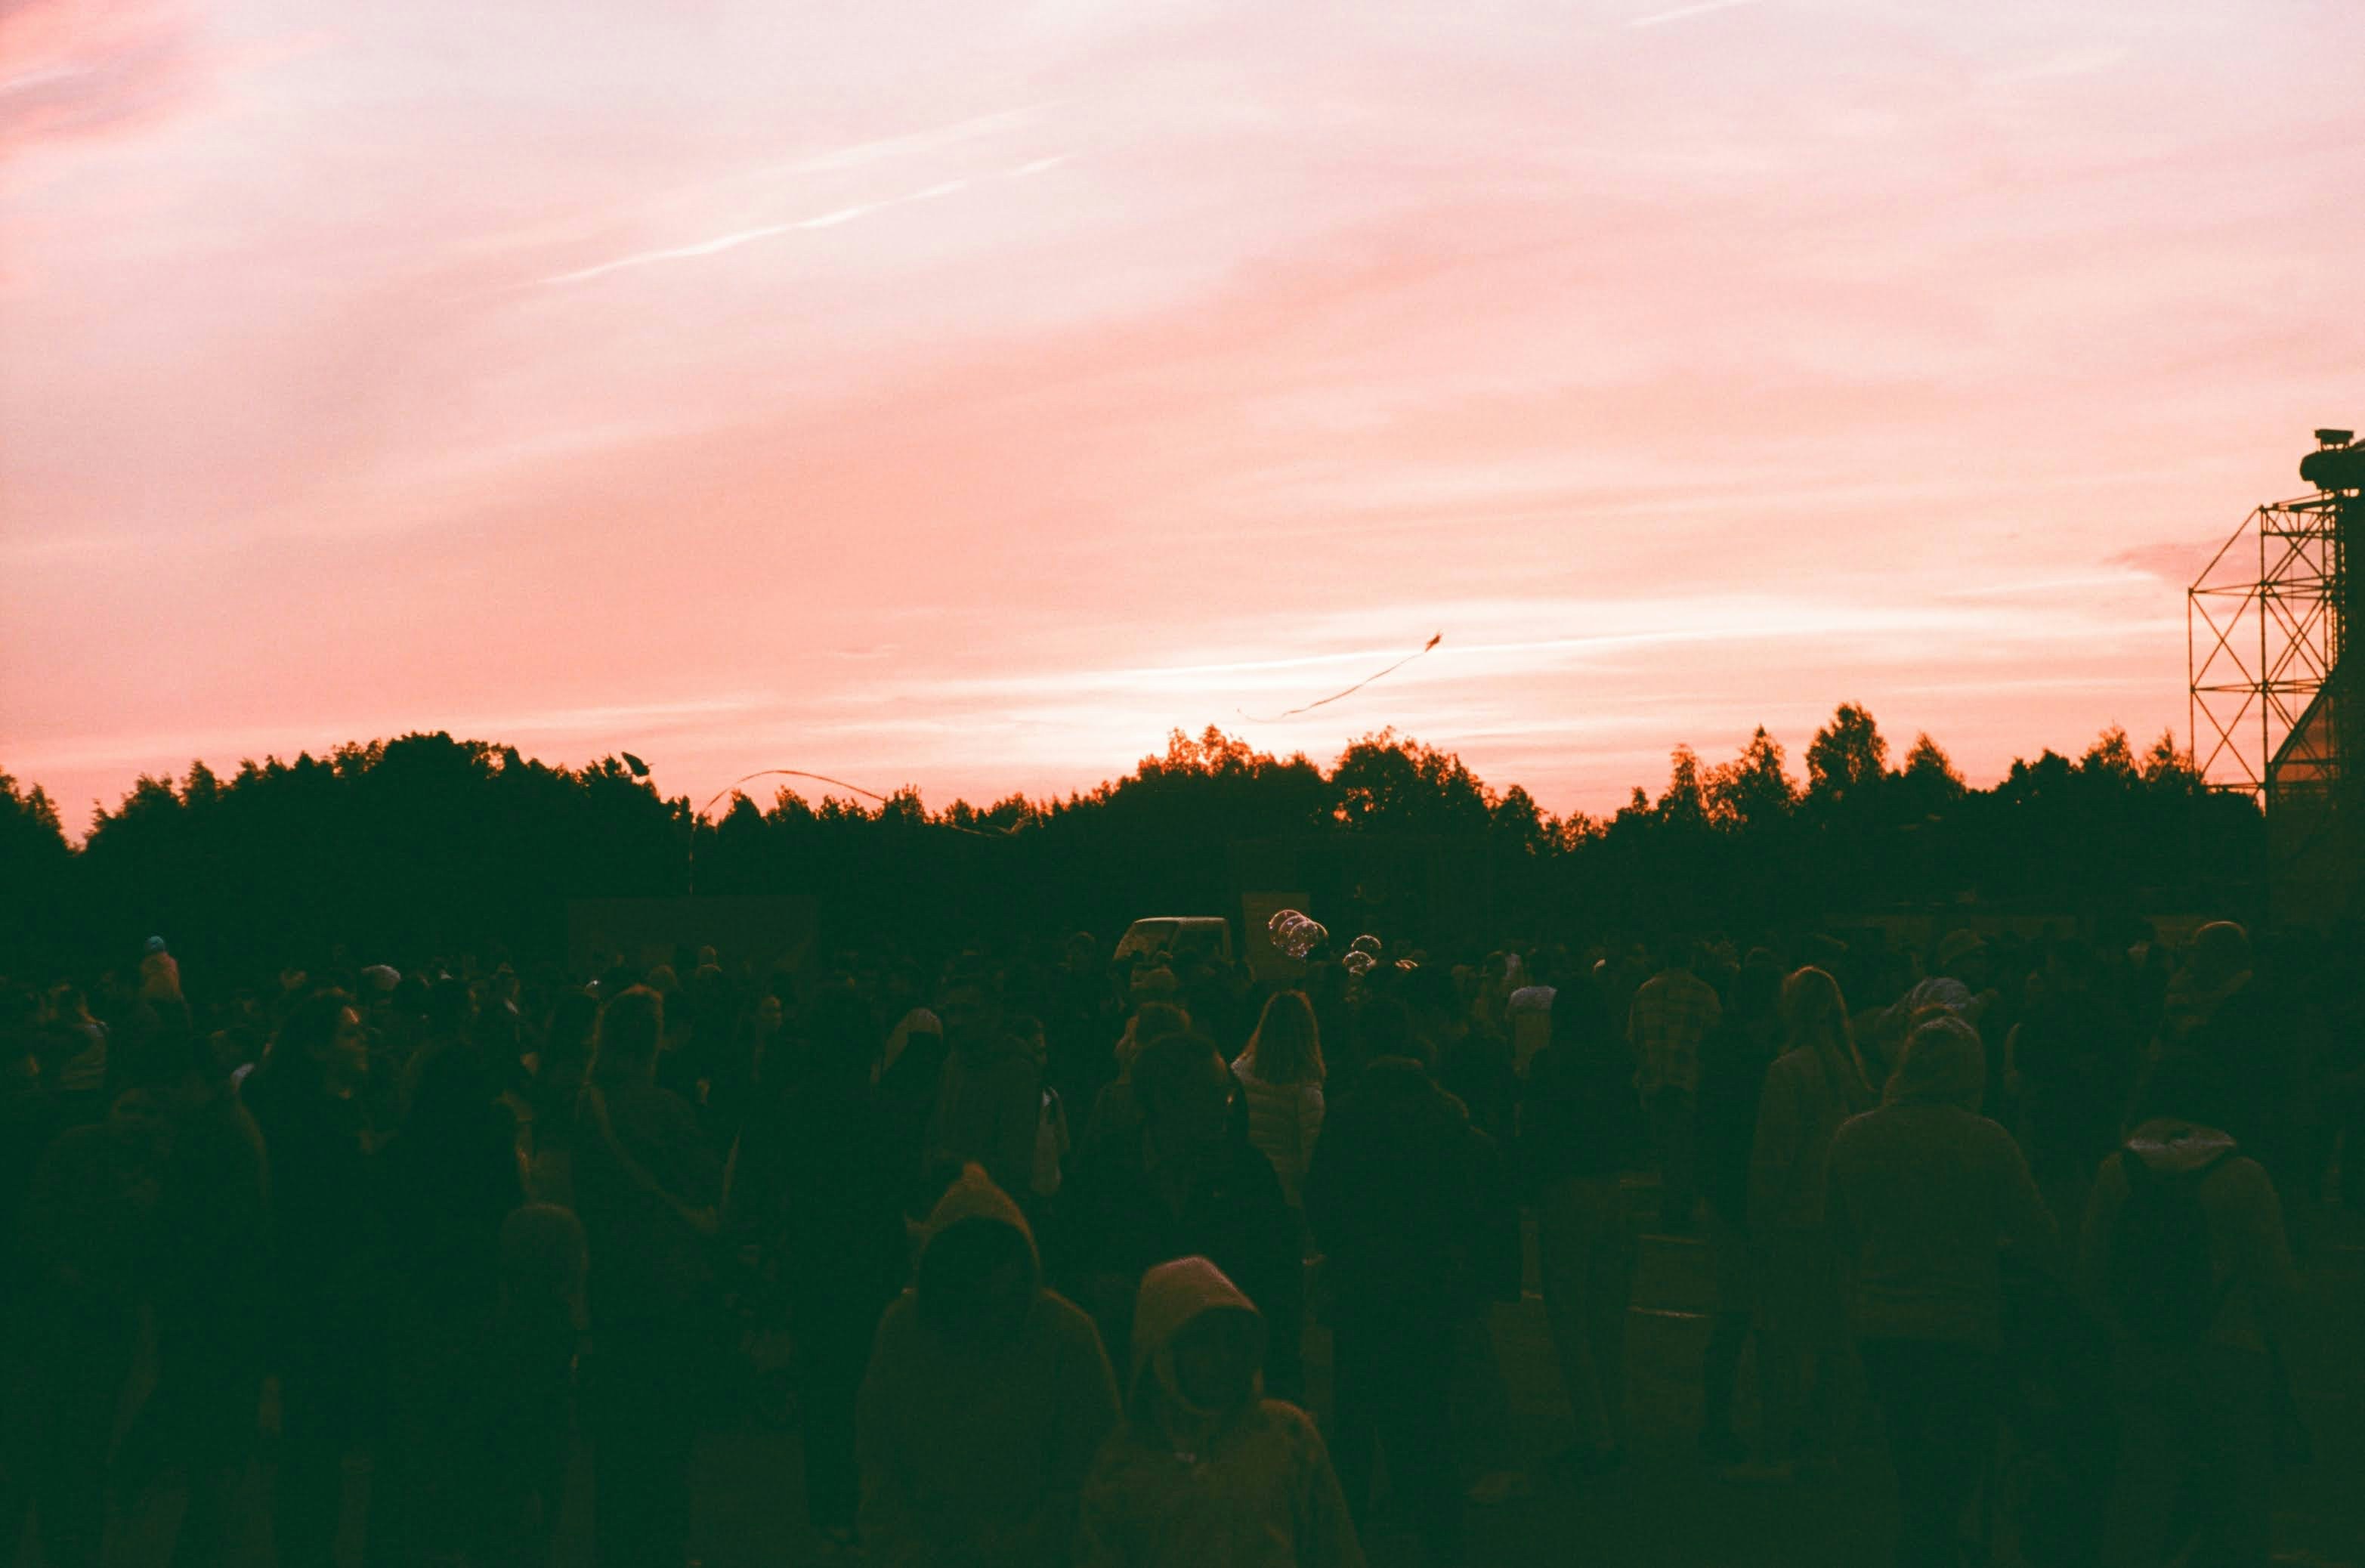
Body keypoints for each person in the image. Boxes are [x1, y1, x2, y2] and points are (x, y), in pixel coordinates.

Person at [1826, 1014, 2059, 1568]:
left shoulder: (1855, 1136)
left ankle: (1924, 1545)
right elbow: (2042, 1237)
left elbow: (1839, 1231)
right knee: (1953, 1466)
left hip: (1882, 1324)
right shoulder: (1986, 1140)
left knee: (1910, 1459)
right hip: (1963, 1325)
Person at [2078, 1051, 2302, 1568]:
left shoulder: (2118, 1171)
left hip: (2143, 1353)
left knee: (2139, 1499)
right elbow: (2277, 1286)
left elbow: (2091, 1273)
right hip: (2233, 1355)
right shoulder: (2243, 1176)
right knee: (2238, 1510)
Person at [857, 1164, 1121, 1568]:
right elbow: (879, 1463)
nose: (989, 1317)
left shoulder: (1068, 1337)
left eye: (1001, 1298)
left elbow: (1096, 1477)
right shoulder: (902, 1331)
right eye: (972, 1298)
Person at [1305, 1013, 1492, 1565]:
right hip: (1427, 1287)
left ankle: (1348, 1535)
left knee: (1356, 1417)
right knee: (1428, 1419)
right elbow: (1471, 1203)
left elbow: (1322, 1196)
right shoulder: (1444, 1117)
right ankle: (1441, 1535)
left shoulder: (1348, 1114)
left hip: (1362, 1285)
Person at [729, 985, 908, 1556]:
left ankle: (829, 1506)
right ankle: (864, 1502)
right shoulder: (885, 1108)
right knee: (868, 1384)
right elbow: (896, 1192)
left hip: (814, 1261)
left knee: (824, 1387)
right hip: (872, 1262)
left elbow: (772, 1184)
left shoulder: (793, 1103)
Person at [1075, 1257, 1365, 1568]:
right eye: (1202, 1342)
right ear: (1163, 1351)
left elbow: (1336, 1549)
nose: (1222, 1357)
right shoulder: (1124, 1465)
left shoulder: (1286, 1435)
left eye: (1232, 1340)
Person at [1062, 1032, 1306, 1403]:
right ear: (1165, 1101)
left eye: (1228, 1093)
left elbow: (1280, 1284)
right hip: (1129, 1382)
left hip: (1227, 1383)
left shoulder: (1249, 1175)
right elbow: (1067, 1266)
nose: (1227, 1106)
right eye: (1213, 1094)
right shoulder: (1104, 1174)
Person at [573, 985, 725, 1568]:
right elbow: (707, 1181)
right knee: (665, 1434)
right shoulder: (665, 1107)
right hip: (667, 1287)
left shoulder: (589, 1103)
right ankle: (663, 1546)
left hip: (609, 1285)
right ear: (654, 1041)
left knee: (618, 1438)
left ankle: (617, 1546)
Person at [240, 988, 390, 1568]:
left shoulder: (331, 1106)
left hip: (330, 1294)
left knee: (314, 1448)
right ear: (316, 1046)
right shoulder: (308, 1122)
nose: (363, 1041)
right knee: (313, 1447)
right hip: (316, 1298)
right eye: (350, 1032)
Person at [1742, 966, 1877, 1479]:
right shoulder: (1850, 1069)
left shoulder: (1789, 1070)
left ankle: (1775, 1449)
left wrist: (1760, 1222)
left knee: (1778, 1340)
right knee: (1834, 1339)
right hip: (1839, 1219)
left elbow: (1772, 1159)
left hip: (1795, 1219)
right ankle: (1827, 1443)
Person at [1518, 975, 1646, 1475]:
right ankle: (1611, 1423)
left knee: (1569, 1317)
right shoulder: (1621, 1060)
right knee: (1608, 1317)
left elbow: (1538, 1131)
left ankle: (1594, 1434)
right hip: (1618, 1186)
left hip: (1567, 1188)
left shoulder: (1551, 1064)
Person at [1691, 955, 1782, 1467]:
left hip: (1724, 1192)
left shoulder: (1724, 1049)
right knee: (1745, 1313)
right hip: (1744, 1196)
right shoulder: (1754, 1061)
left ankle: (1720, 1419)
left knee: (1733, 1312)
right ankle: (1727, 1421)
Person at [926, 968, 1046, 1205]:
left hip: (993, 1209)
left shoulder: (1016, 1071)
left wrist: (951, 1164)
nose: (957, 1021)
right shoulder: (952, 1063)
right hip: (948, 1202)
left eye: (968, 1011)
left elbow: (1015, 1163)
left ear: (994, 1014)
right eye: (951, 1011)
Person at [1628, 940, 1722, 1231]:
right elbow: (1714, 1040)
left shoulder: (1645, 992)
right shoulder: (1704, 994)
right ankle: (1679, 1208)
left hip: (1654, 1080)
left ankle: (1671, 1205)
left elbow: (1634, 1038)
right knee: (1685, 1148)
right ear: (1691, 959)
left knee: (1666, 1148)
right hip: (1688, 1080)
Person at [1229, 990, 1326, 1213]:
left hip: (1245, 1182)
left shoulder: (1238, 1071)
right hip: (1289, 1191)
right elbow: (1312, 1149)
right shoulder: (1304, 1087)